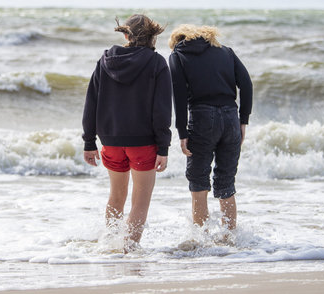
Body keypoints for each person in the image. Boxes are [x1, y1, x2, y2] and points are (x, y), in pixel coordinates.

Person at [82, 14, 172, 251]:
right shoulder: (157, 63)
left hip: (110, 141)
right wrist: (163, 147)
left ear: (126, 35)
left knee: (116, 195)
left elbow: (91, 102)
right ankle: (127, 251)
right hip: (143, 143)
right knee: (140, 202)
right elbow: (161, 110)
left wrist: (89, 141)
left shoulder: (105, 61)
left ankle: (110, 246)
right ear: (153, 36)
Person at [168, 25, 252, 235]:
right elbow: (247, 84)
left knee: (198, 181)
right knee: (226, 181)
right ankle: (230, 238)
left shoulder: (177, 56)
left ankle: (201, 239)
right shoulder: (226, 51)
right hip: (231, 117)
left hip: (202, 117)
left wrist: (182, 131)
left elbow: (178, 96)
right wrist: (243, 120)